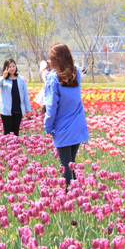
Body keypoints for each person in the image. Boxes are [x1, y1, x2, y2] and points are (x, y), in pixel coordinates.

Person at [44, 42, 89, 187]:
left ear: (55, 60)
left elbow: (51, 106)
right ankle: (76, 194)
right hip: (78, 124)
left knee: (65, 165)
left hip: (62, 126)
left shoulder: (53, 78)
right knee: (71, 163)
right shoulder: (76, 72)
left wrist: (48, 127)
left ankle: (67, 196)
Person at [0, 59, 31, 136]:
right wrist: (3, 77)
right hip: (6, 110)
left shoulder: (21, 79)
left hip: (18, 109)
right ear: (6, 68)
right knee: (7, 132)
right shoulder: (3, 80)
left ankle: (15, 147)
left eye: (13, 66)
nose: (12, 68)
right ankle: (7, 147)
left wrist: (28, 109)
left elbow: (25, 95)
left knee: (16, 132)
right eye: (10, 67)